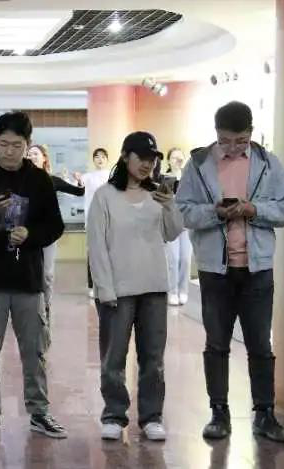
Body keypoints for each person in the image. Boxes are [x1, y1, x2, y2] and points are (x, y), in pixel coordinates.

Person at [176, 101, 284, 443]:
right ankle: (219, 413)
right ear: (216, 134)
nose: (232, 147)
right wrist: (215, 212)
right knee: (216, 343)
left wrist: (253, 209)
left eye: (240, 140)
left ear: (251, 133)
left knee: (260, 344)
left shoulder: (268, 163)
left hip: (258, 269)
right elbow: (183, 211)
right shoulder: (199, 164)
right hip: (215, 270)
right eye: (225, 141)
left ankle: (265, 414)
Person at [0, 111, 66, 440]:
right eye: (3, 144)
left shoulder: (39, 180)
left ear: (28, 144)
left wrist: (30, 235)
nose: (9, 151)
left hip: (27, 279)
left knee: (35, 350)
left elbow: (55, 226)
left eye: (16, 145)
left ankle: (39, 412)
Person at [87, 131, 183, 442]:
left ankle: (152, 417)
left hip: (154, 286)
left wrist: (170, 206)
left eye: (152, 159)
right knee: (113, 358)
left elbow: (172, 233)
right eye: (141, 157)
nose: (147, 164)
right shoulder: (105, 196)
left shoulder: (158, 195)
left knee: (153, 359)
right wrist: (104, 288)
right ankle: (114, 415)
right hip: (118, 289)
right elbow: (97, 246)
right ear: (125, 157)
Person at [27, 144, 85, 315]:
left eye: (35, 154)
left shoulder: (52, 180)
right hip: (26, 233)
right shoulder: (21, 180)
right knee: (29, 271)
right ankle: (31, 306)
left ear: (44, 158)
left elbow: (78, 192)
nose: (31, 157)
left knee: (47, 274)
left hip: (47, 234)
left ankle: (46, 305)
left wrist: (80, 181)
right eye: (29, 154)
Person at [163, 147, 193, 306]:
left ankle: (183, 290)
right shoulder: (164, 178)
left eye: (180, 157)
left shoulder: (189, 178)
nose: (178, 160)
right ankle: (172, 291)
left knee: (186, 259)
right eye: (174, 157)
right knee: (173, 259)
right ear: (169, 161)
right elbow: (160, 202)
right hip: (171, 225)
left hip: (186, 224)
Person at [82, 148, 110, 295]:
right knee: (93, 253)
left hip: (109, 220)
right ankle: (92, 285)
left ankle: (107, 284)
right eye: (97, 157)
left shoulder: (112, 176)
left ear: (107, 160)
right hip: (92, 219)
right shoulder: (87, 177)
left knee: (109, 252)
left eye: (103, 157)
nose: (100, 159)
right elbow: (77, 186)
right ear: (93, 160)